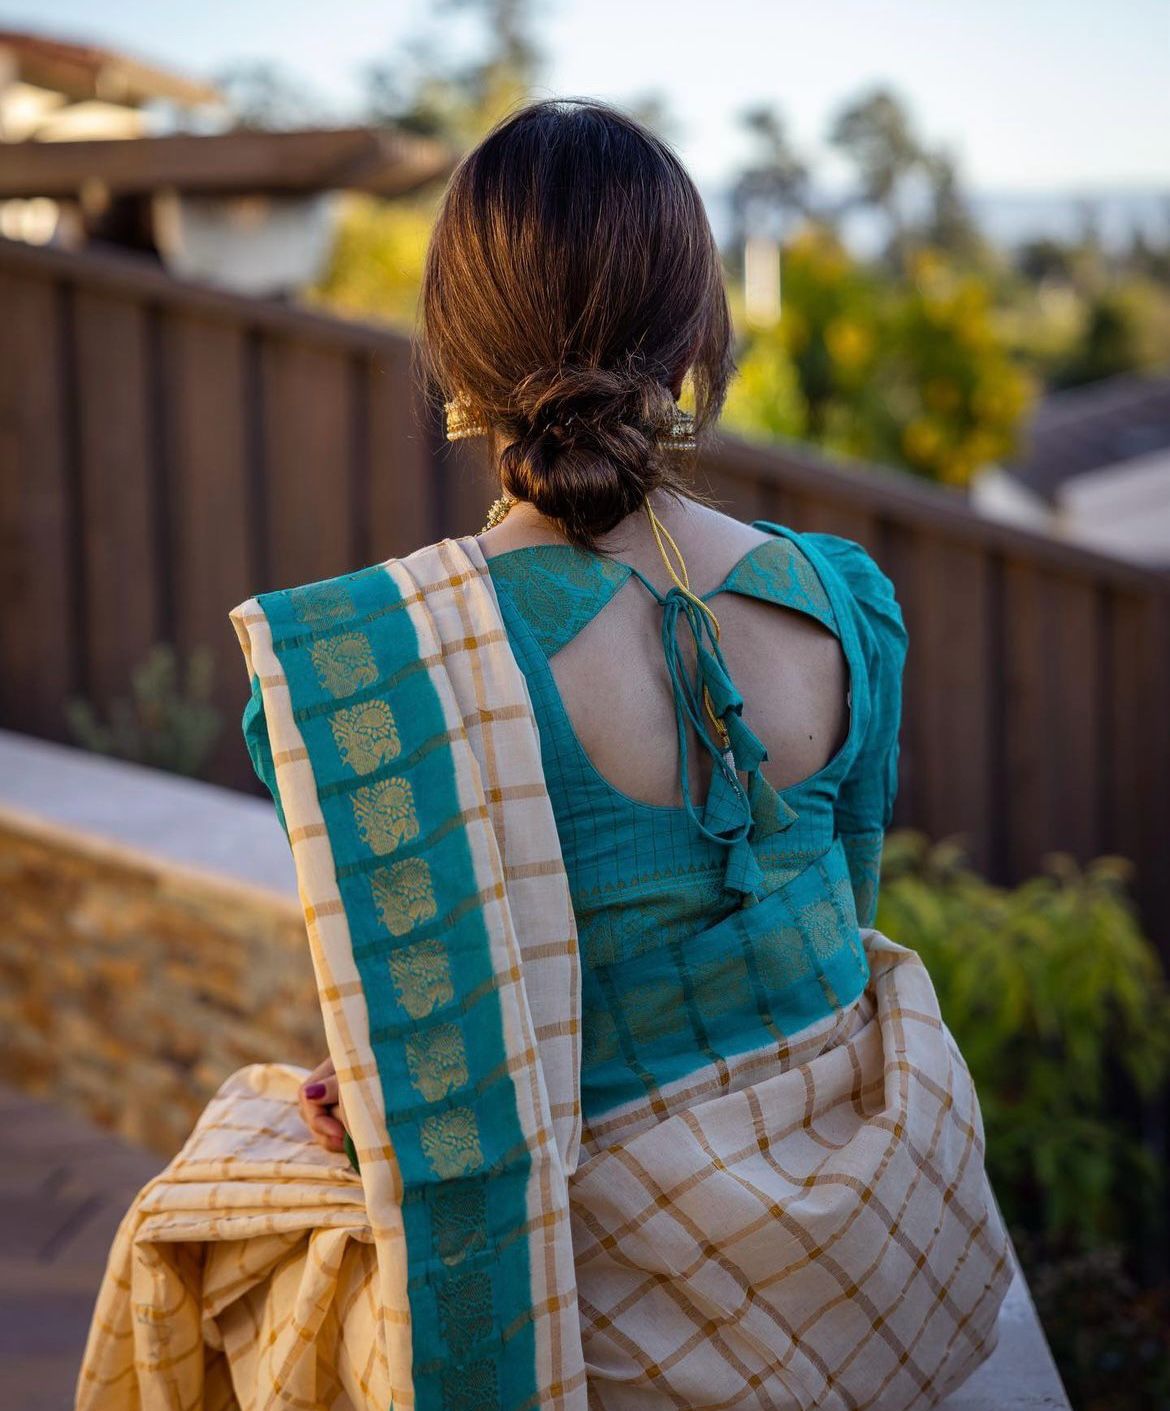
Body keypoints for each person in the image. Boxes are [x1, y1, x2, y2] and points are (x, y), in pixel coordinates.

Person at [79, 99, 1010, 1411]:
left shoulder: (365, 673)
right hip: (878, 1264)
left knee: (212, 1195)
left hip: (593, 1311)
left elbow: (435, 1040)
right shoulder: (843, 602)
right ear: (699, 333)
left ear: (451, 351)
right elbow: (836, 936)